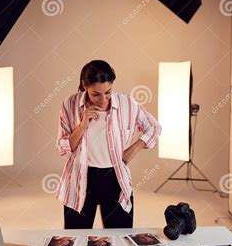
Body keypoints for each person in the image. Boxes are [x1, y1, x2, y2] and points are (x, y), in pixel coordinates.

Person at [56, 60, 162, 229]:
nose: (103, 99)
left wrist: (134, 148)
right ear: (85, 86)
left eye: (108, 92)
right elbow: (63, 147)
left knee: (121, 238)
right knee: (76, 239)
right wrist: (83, 123)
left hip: (115, 178)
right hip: (81, 178)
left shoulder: (127, 103)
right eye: (96, 94)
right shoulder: (70, 105)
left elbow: (154, 127)